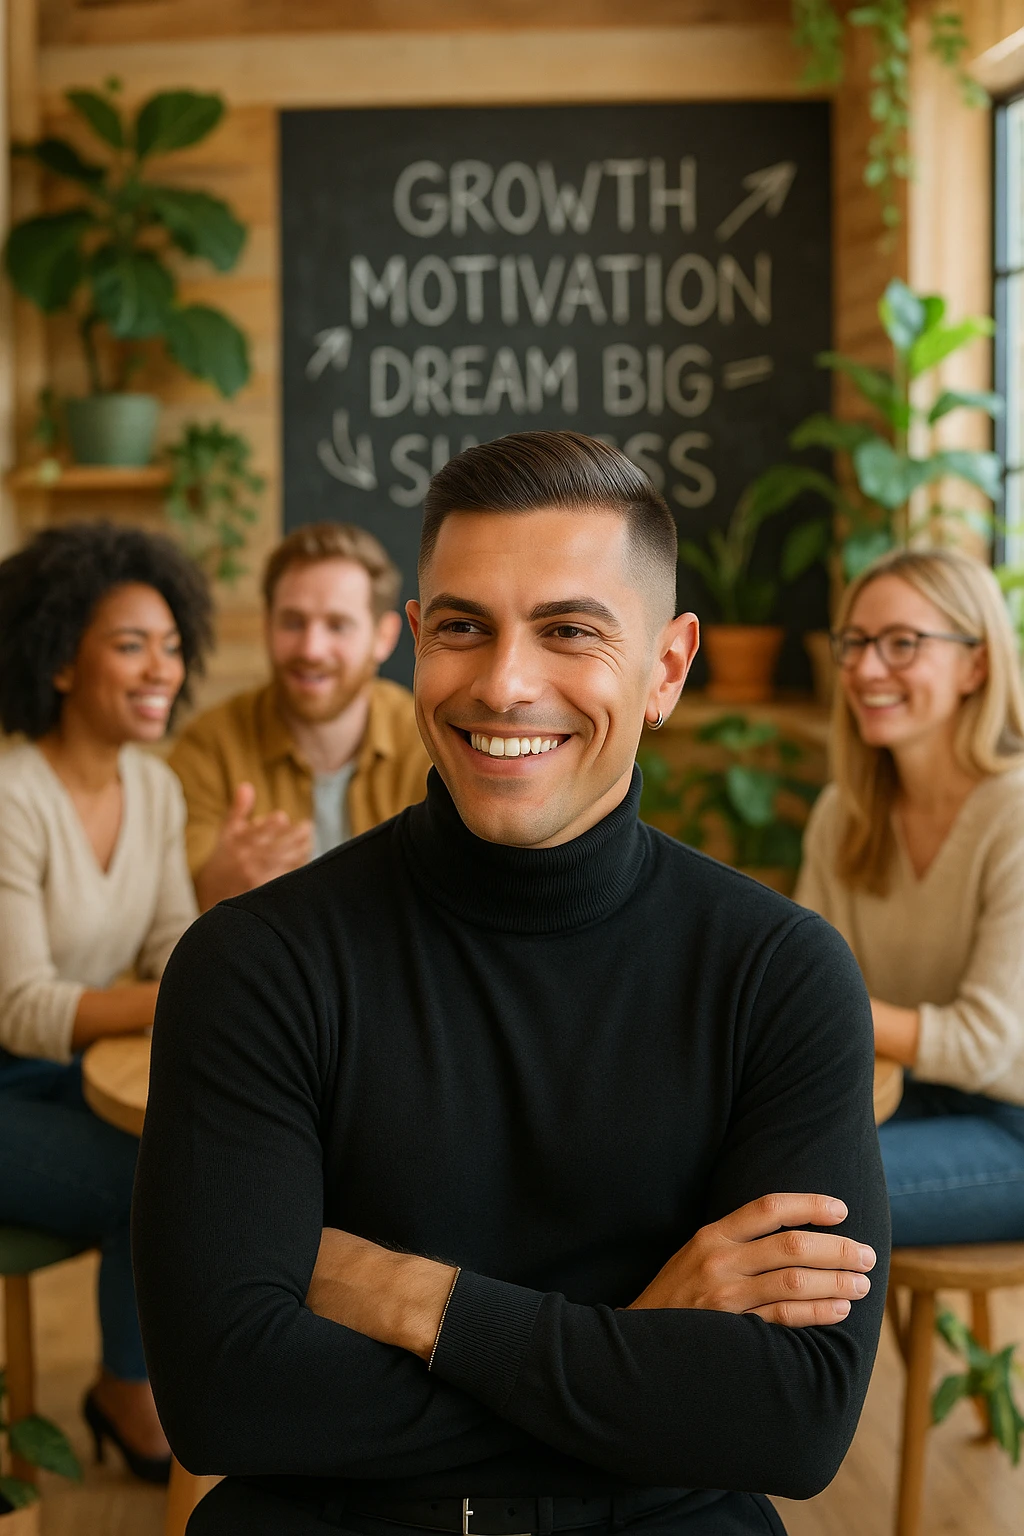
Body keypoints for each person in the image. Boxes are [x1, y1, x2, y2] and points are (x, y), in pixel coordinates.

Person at [133, 431, 889, 1536]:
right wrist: (636, 1345)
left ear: (665, 669)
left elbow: (792, 1421)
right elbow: (224, 1399)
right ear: (414, 646)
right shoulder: (255, 963)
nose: (502, 684)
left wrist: (413, 1300)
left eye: (569, 630)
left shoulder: (778, 973)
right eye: (462, 628)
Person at [0, 521, 212, 1481]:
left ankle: (153, 1380)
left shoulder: (155, 789)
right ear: (57, 663)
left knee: (198, 1139)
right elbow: (24, 1009)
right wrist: (180, 995)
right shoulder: (11, 794)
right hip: (10, 1077)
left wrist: (190, 978)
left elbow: (172, 948)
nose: (159, 670)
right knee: (157, 1174)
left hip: (64, 1077)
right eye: (130, 646)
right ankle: (130, 1390)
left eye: (170, 647)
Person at [796, 545, 1024, 1246]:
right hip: (901, 1098)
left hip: (1011, 1127)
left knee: (789, 1197)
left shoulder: (1014, 813)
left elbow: (988, 1041)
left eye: (902, 644)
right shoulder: (846, 813)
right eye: (856, 643)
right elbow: (800, 983)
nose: (865, 669)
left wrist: (841, 1010)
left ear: (975, 665)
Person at [169, 522, 430, 910]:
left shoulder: (430, 745)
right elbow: (165, 915)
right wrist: (214, 886)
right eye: (293, 622)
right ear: (266, 625)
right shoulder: (209, 747)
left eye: (337, 625)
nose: (311, 648)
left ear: (385, 637)